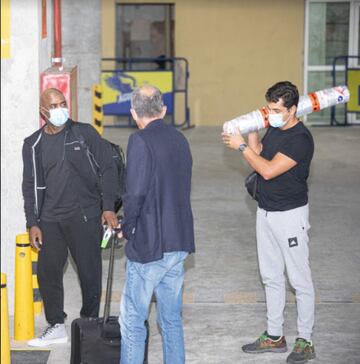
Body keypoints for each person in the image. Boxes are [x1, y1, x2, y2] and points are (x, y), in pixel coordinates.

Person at [222, 81, 316, 364]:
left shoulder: (300, 139)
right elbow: (261, 153)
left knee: (299, 280)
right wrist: (252, 131)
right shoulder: (276, 127)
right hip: (265, 212)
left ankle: (305, 340)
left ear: (293, 110)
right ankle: (275, 336)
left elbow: (267, 170)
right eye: (269, 109)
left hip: (290, 216)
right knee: (271, 277)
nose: (272, 114)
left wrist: (240, 146)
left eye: (276, 110)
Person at [22, 88, 118, 347]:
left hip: (84, 216)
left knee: (89, 273)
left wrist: (107, 207)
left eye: (63, 103)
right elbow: (29, 186)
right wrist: (33, 222)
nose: (60, 109)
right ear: (43, 111)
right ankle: (56, 325)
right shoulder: (33, 144)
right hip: (50, 219)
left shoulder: (83, 133)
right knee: (47, 273)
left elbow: (108, 167)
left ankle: (88, 323)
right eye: (54, 105)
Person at [118, 85, 195, 364]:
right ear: (163, 110)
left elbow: (135, 193)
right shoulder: (179, 138)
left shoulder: (139, 140)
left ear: (133, 113)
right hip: (179, 241)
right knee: (171, 319)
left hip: (151, 245)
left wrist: (126, 228)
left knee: (133, 321)